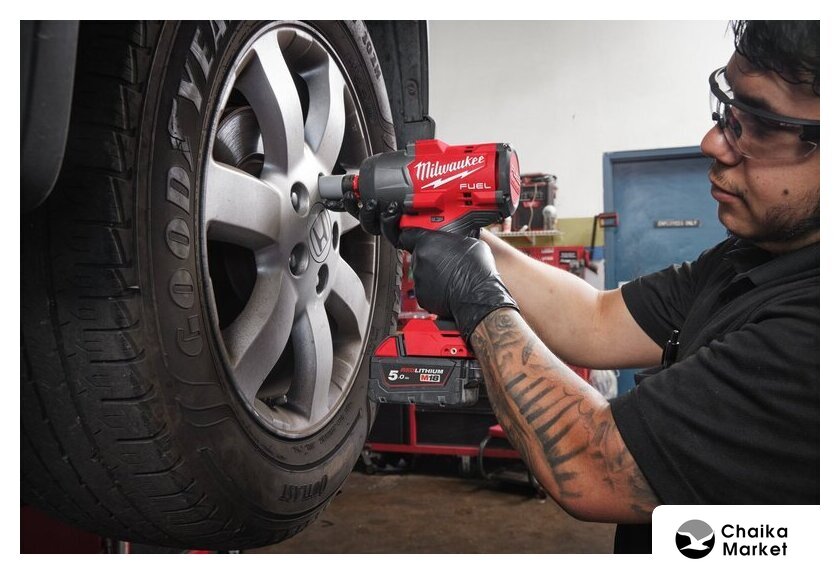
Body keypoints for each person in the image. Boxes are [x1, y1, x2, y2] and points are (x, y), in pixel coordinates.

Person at [360, 20, 819, 553]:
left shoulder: (814, 330)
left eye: (758, 123)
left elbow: (594, 463)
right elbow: (595, 320)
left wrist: (476, 296)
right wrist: (450, 232)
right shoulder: (749, 259)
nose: (712, 142)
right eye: (727, 112)